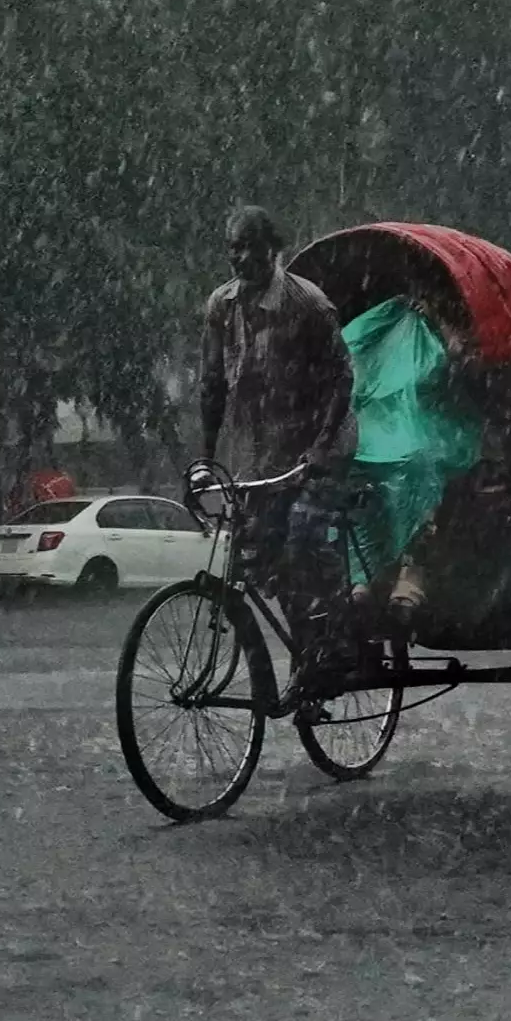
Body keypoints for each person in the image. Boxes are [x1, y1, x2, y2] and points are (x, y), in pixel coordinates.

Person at [200, 205, 356, 707]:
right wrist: (206, 459)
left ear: (273, 249)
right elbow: (211, 387)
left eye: (251, 246)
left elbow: (341, 378)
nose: (240, 257)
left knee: (302, 539)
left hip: (321, 448)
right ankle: (308, 656)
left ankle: (335, 644)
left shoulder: (306, 305)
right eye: (233, 247)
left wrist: (318, 448)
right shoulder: (220, 308)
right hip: (265, 454)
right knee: (260, 557)